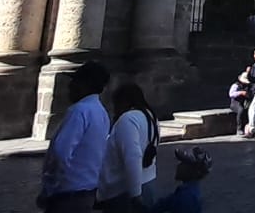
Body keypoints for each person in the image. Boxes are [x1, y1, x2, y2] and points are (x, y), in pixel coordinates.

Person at [39, 62, 110, 212]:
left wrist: (50, 187)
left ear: (86, 84)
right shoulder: (101, 112)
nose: (70, 86)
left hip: (67, 194)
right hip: (88, 191)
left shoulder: (79, 111)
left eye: (75, 81)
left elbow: (60, 152)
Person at [97, 83, 160, 211]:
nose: (115, 109)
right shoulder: (150, 117)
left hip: (125, 191)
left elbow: (133, 157)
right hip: (147, 181)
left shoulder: (127, 120)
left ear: (124, 101)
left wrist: (135, 194)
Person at [151, 147, 211, 213]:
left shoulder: (186, 198)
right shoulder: (188, 191)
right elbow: (164, 203)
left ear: (192, 170)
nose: (178, 165)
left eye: (182, 162)